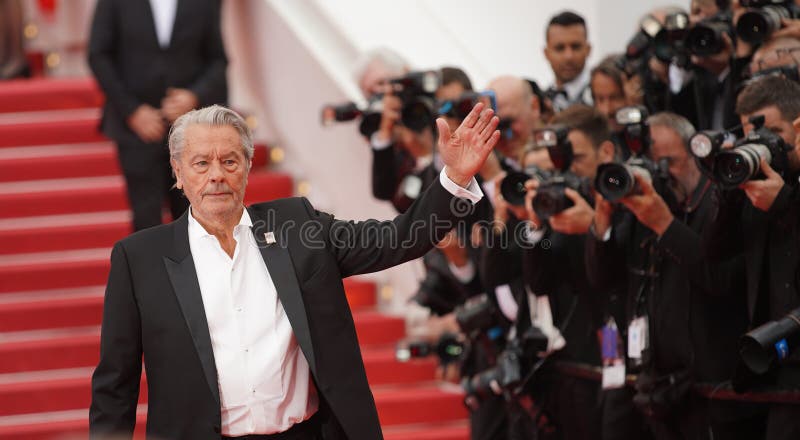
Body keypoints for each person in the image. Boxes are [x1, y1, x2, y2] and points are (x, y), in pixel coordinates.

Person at [89, 104, 499, 440]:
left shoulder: (297, 227)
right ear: (177, 173)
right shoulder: (139, 257)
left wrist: (455, 178)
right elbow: (115, 386)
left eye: (229, 160)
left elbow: (401, 238)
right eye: (201, 163)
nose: (216, 175)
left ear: (247, 168)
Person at [587, 112, 757, 440]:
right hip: (658, 391)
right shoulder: (640, 212)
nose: (662, 175)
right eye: (652, 164)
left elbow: (718, 279)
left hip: (711, 392)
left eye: (670, 162)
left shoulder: (717, 204)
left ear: (697, 156)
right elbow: (601, 278)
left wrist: (665, 224)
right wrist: (603, 219)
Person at [707, 75, 800, 440]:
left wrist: (784, 204)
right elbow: (713, 253)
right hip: (767, 361)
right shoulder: (754, 188)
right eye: (752, 137)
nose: (762, 146)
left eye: (773, 132)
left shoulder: (779, 193)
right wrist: (728, 192)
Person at [87, 0, 228, 231]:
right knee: (146, 220)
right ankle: (148, 269)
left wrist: (193, 96)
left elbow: (217, 59)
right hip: (136, 130)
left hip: (190, 132)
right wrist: (132, 111)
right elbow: (98, 54)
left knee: (195, 220)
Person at [543, 10, 593, 112]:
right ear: (546, 53)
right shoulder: (541, 104)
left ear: (588, 50)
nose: (568, 56)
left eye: (576, 47)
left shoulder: (603, 98)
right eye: (560, 48)